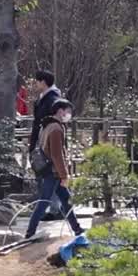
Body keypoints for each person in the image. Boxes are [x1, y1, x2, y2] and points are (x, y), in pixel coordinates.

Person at [25, 99, 84, 239]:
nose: (69, 114)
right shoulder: (57, 128)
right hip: (54, 172)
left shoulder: (47, 126)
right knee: (44, 202)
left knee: (66, 200)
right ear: (60, 111)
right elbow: (57, 154)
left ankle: (77, 229)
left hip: (50, 170)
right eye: (68, 111)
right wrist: (64, 175)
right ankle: (30, 232)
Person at [26, 70, 61, 154]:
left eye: (37, 81)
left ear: (43, 82)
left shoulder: (52, 100)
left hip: (48, 143)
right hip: (42, 141)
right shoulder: (43, 98)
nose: (36, 84)